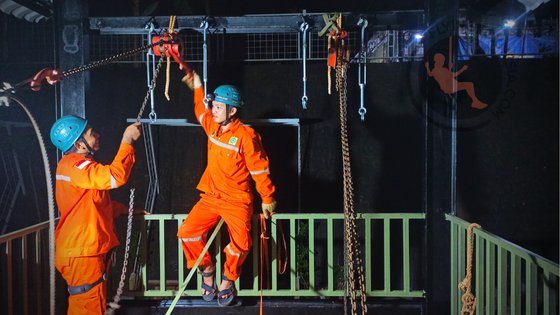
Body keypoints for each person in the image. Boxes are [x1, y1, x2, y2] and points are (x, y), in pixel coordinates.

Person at [178, 71, 277, 306]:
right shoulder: (212, 126)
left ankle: (228, 279)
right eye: (214, 106)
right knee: (187, 233)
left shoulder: (246, 136)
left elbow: (259, 170)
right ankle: (208, 270)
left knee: (242, 243)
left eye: (218, 107)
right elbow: (200, 111)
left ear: (232, 111)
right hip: (211, 197)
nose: (213, 110)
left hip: (237, 200)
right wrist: (198, 88)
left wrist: (267, 197)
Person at [50, 115, 143, 315]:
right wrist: (127, 141)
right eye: (92, 134)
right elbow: (114, 177)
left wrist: (127, 210)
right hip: (83, 252)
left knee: (83, 304)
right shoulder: (76, 166)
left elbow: (94, 202)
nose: (97, 136)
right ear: (78, 143)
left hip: (83, 250)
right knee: (90, 306)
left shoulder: (74, 167)